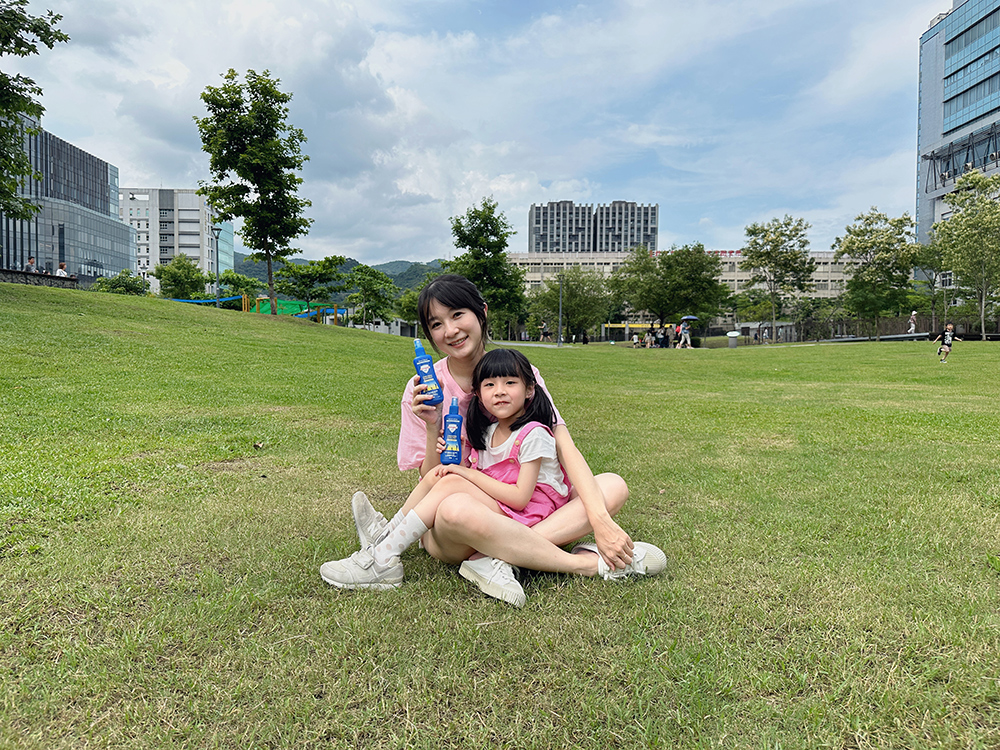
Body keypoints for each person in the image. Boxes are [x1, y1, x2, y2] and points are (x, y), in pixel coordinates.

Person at [339, 274, 643, 605]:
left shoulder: (518, 372)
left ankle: (498, 557)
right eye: (437, 324)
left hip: (526, 506)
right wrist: (431, 426)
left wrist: (602, 522)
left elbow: (564, 445)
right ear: (429, 335)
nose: (451, 330)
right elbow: (430, 479)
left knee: (613, 486)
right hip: (464, 519)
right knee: (454, 509)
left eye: (457, 315)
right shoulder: (425, 389)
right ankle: (577, 562)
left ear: (481, 313)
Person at [320, 348, 666, 604]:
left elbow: (518, 496)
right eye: (489, 385)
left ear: (530, 389)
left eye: (510, 383)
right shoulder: (483, 434)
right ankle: (384, 539)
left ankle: (388, 557)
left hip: (532, 510)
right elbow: (444, 477)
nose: (499, 391)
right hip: (506, 515)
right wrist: (445, 448)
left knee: (612, 484)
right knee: (446, 481)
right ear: (478, 395)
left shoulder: (534, 433)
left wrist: (464, 475)